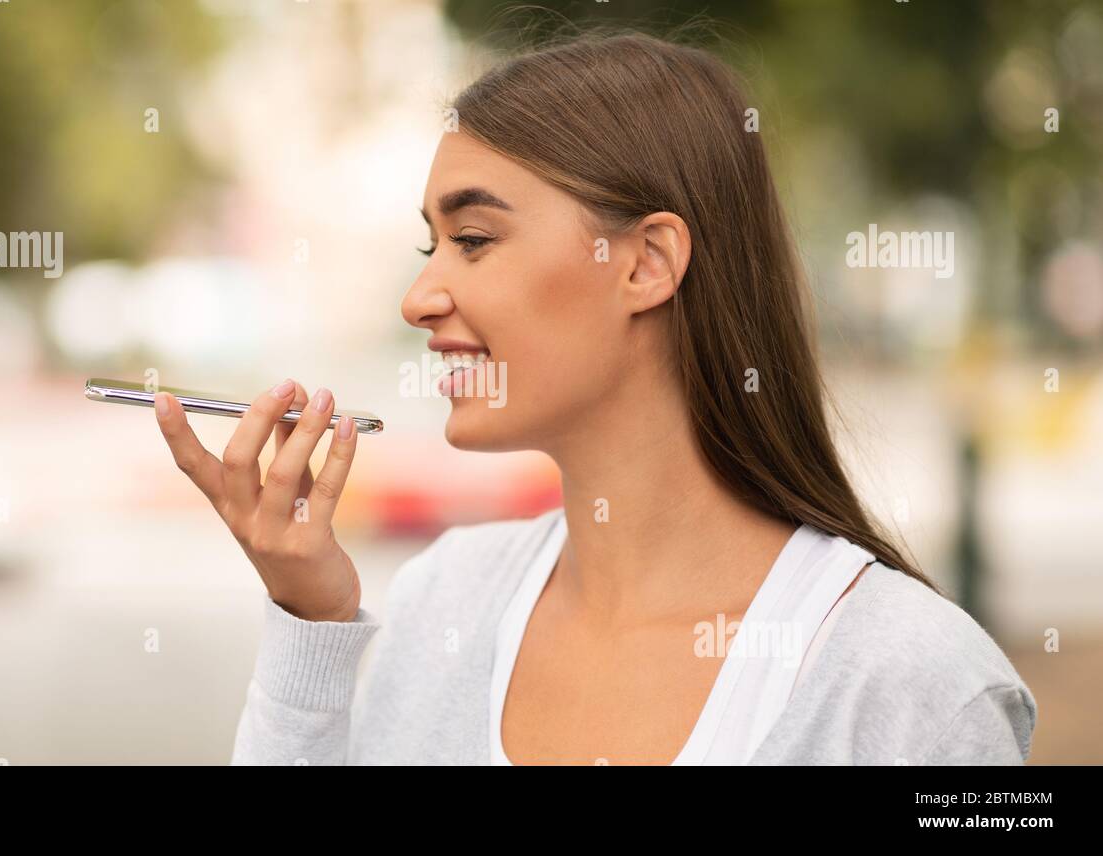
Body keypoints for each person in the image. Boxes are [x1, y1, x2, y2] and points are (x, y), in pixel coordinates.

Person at [152, 30, 1036, 765]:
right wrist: (311, 624)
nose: (417, 299)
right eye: (431, 245)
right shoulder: (442, 606)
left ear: (647, 263)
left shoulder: (919, 689)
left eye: (472, 238)